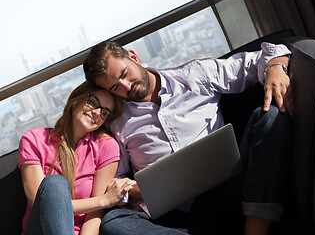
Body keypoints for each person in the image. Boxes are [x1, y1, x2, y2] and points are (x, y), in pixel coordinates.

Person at [83, 40, 293, 235]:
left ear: (133, 57)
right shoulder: (116, 123)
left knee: (271, 117)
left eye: (124, 74)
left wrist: (275, 68)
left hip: (233, 186)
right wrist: (136, 191)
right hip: (177, 216)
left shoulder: (194, 74)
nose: (126, 87)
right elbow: (115, 183)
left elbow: (267, 55)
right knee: (114, 223)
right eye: (114, 87)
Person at [18, 81, 136, 235]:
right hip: (40, 229)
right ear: (76, 99)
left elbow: (94, 215)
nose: (97, 113)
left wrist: (100, 203)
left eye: (104, 113)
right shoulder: (33, 140)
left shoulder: (106, 146)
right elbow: (40, 205)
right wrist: (105, 200)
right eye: (93, 102)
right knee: (55, 184)